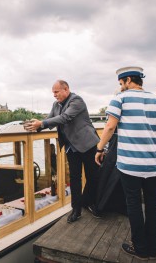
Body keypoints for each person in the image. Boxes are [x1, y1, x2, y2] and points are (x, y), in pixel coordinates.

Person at [94, 66, 156, 260]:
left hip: (129, 165)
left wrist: (100, 148)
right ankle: (152, 248)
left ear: (127, 81)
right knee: (152, 204)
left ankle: (140, 248)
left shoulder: (120, 99)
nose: (121, 87)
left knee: (134, 204)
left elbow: (110, 126)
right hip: (153, 164)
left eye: (121, 83)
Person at [24, 80, 100, 223]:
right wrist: (37, 126)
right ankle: (76, 209)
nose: (54, 95)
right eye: (53, 92)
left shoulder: (77, 100)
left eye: (56, 92)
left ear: (66, 89)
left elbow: (65, 118)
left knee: (93, 177)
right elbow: (50, 119)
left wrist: (42, 124)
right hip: (72, 147)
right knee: (74, 179)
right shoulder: (56, 104)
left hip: (88, 144)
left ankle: (91, 203)